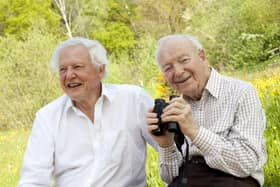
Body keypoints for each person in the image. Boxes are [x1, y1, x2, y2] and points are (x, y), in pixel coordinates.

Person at [19, 37, 157, 187]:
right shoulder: (47, 117)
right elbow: (33, 179)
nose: (69, 75)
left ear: (100, 70)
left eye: (77, 67)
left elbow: (172, 149)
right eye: (63, 69)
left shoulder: (133, 100)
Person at [146, 34, 266, 187]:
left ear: (202, 56)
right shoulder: (175, 107)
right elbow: (170, 178)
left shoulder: (241, 92)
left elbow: (246, 164)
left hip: (233, 181)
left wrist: (194, 131)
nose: (178, 72)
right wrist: (165, 144)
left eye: (184, 60)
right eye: (168, 68)